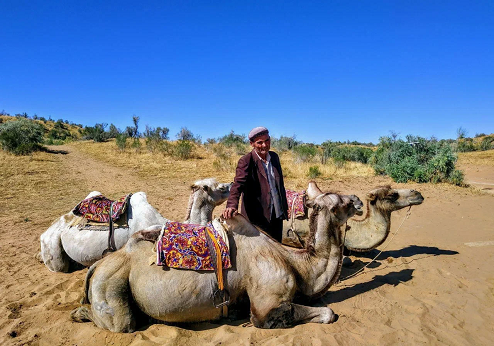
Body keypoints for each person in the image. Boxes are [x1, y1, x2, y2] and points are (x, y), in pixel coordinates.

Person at [222, 126, 288, 242]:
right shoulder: (246, 161)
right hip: (258, 217)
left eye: (267, 140)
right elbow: (238, 185)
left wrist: (283, 207)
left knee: (277, 248)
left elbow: (279, 185)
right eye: (260, 142)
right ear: (252, 144)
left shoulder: (274, 157)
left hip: (276, 214)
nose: (264, 145)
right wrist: (231, 205)